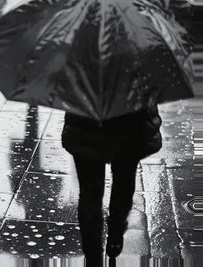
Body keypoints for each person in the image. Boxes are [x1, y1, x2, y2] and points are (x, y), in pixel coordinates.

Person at [61, 106, 162, 265]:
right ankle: (116, 228)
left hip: (86, 119)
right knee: (123, 181)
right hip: (130, 120)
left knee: (90, 192)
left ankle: (93, 255)